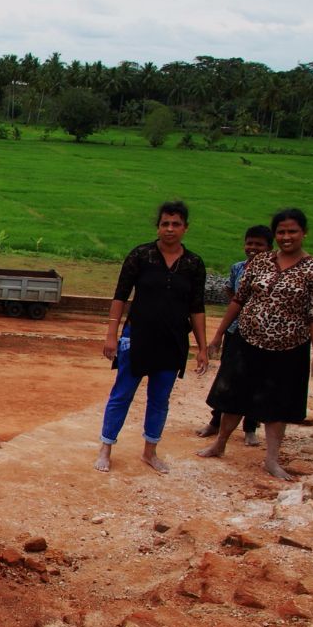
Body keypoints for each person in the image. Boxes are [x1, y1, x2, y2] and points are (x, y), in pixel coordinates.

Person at [198, 208, 313, 481]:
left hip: (289, 348)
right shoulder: (260, 262)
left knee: (278, 404)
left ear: (304, 233)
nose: (286, 237)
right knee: (234, 397)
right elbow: (238, 300)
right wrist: (218, 335)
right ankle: (220, 442)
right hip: (248, 341)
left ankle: (271, 459)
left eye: (292, 231)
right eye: (281, 232)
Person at [95, 201, 209, 474]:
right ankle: (106, 448)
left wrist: (202, 347)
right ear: (158, 227)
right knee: (122, 394)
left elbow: (196, 307)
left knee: (160, 398)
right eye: (165, 224)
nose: (170, 229)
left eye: (176, 224)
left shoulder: (193, 264)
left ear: (185, 228)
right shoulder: (141, 255)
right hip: (137, 337)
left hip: (173, 341)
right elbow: (120, 296)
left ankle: (150, 452)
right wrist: (111, 335)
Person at [195, 226, 273, 446]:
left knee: (257, 379)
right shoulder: (238, 268)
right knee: (228, 377)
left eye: (259, 245)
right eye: (250, 243)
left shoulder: (274, 273)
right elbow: (232, 294)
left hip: (262, 334)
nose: (253, 248)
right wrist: (220, 332)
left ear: (269, 247)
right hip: (235, 330)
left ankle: (250, 427)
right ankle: (215, 421)